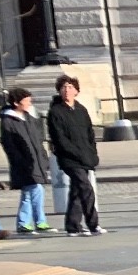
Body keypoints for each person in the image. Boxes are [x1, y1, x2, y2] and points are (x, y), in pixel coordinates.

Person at [47, 74, 105, 236]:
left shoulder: (81, 109)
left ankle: (72, 226)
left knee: (77, 191)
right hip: (69, 159)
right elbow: (59, 138)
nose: (67, 90)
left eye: (70, 87)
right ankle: (93, 224)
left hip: (85, 157)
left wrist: (92, 153)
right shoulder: (56, 112)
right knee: (86, 188)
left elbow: (90, 134)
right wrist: (76, 153)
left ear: (76, 91)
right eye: (63, 87)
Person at [0, 87, 49, 235]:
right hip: (24, 163)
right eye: (26, 100)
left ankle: (25, 222)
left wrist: (43, 157)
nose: (29, 103)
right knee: (36, 189)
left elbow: (37, 140)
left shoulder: (28, 117)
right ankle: (38, 221)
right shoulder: (8, 121)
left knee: (29, 192)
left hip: (35, 161)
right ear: (16, 103)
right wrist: (21, 161)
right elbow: (9, 145)